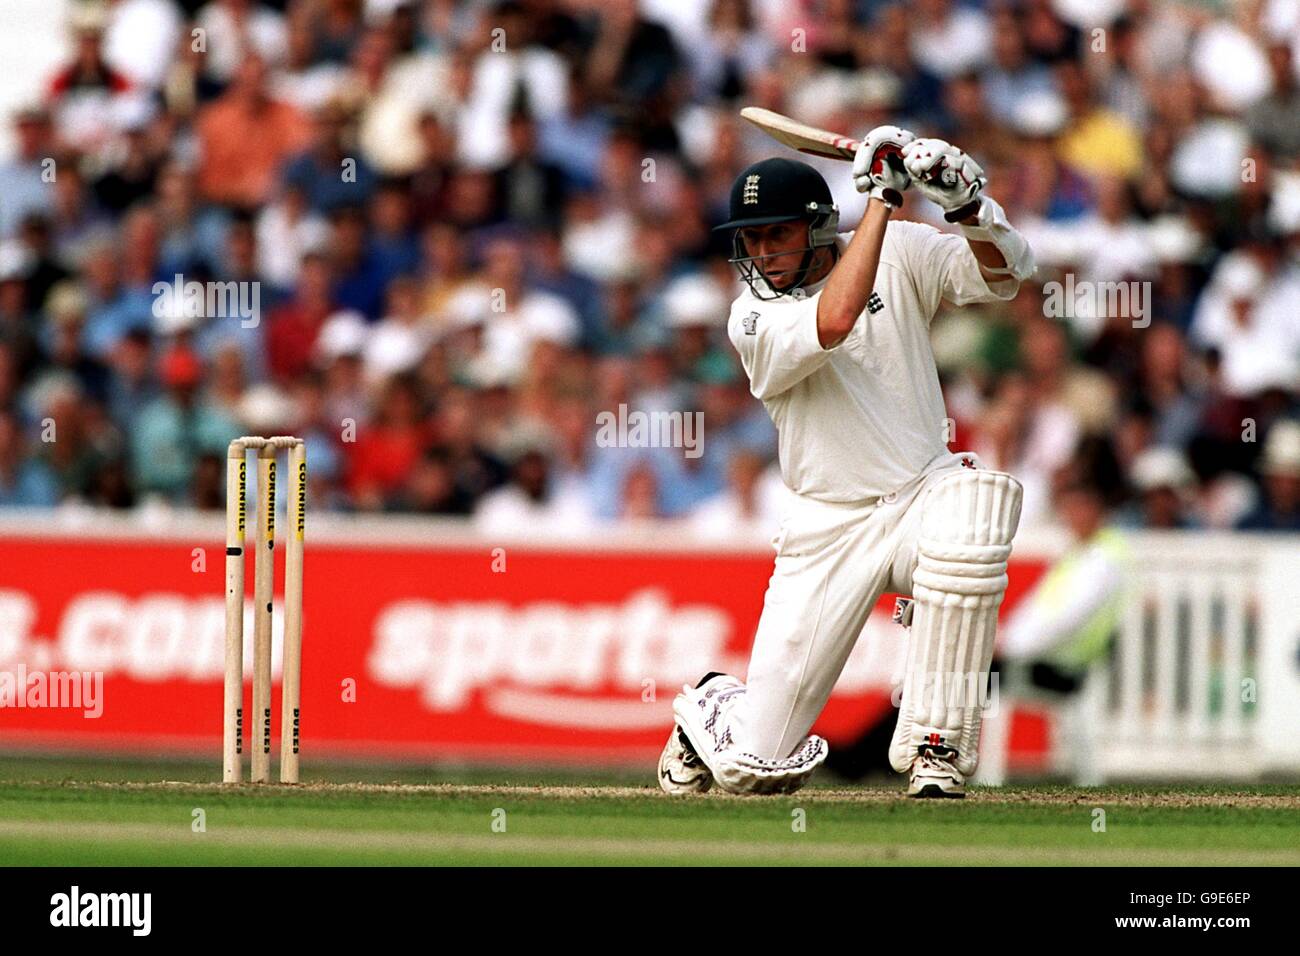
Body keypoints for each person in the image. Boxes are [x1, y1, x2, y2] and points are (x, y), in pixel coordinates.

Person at [658, 130, 1034, 798]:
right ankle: (716, 705)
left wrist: (966, 202)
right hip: (826, 528)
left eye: (778, 235)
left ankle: (935, 748)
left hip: (922, 491)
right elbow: (834, 319)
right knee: (755, 772)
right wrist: (887, 202)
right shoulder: (752, 318)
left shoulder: (902, 251)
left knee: (975, 516)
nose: (764, 253)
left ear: (817, 225)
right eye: (752, 239)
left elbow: (1007, 278)